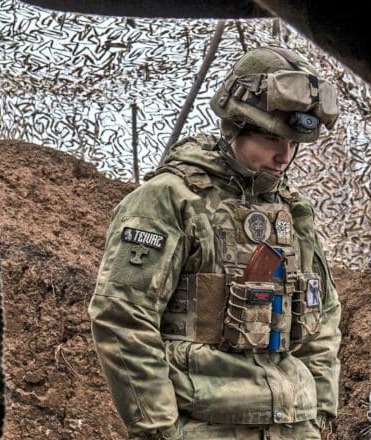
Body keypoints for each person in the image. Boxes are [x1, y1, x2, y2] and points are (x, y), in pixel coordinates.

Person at [88, 46, 342, 439]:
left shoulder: (293, 211)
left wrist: (321, 411)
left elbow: (321, 314)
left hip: (294, 425)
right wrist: (159, 429)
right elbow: (123, 316)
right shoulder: (172, 199)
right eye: (272, 139)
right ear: (237, 125)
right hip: (206, 424)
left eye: (293, 144)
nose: (284, 157)